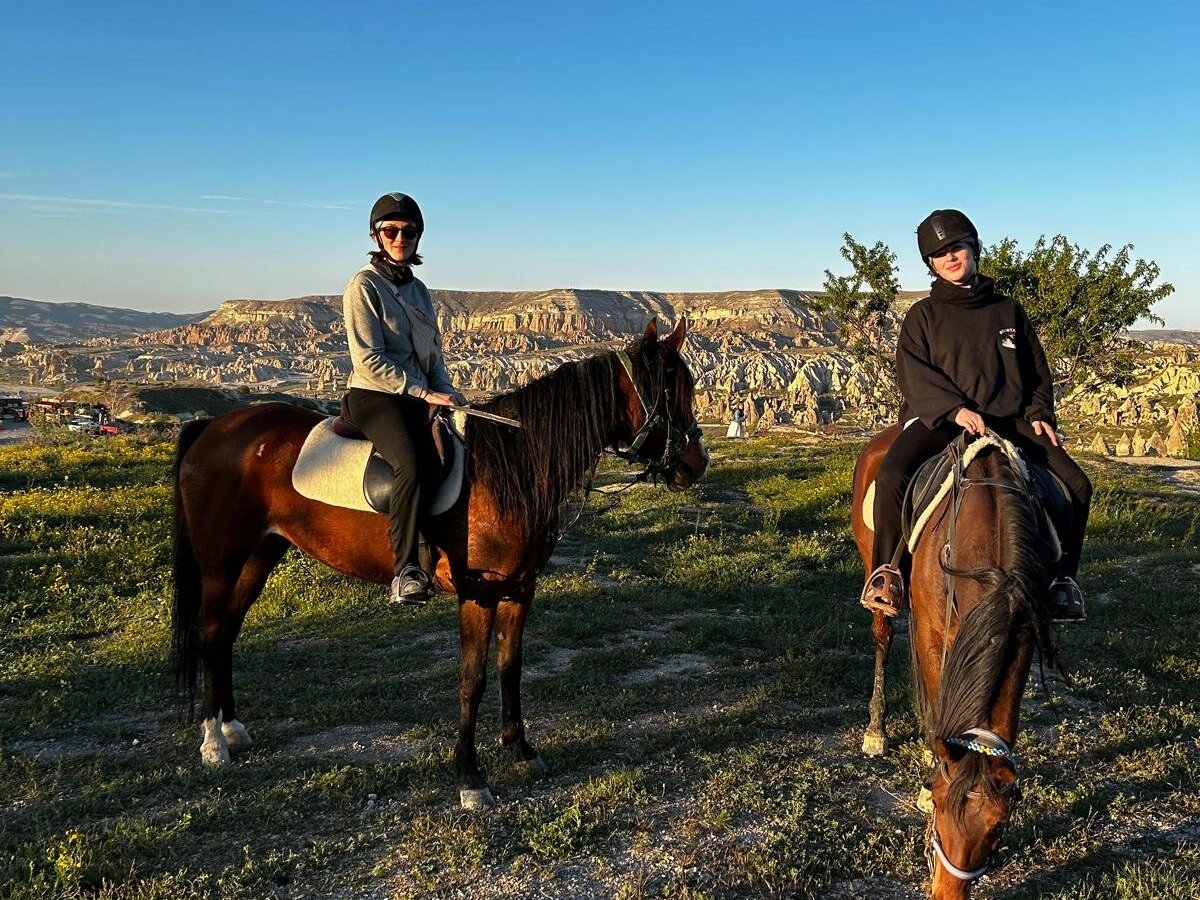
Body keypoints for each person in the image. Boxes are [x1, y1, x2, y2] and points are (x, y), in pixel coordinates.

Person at [861, 209, 1092, 622]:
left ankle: (1062, 582)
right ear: (930, 264)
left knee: (1077, 485)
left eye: (956, 247)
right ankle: (888, 573)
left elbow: (1036, 371)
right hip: (940, 420)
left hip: (1007, 420)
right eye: (939, 253)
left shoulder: (1009, 312)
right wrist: (954, 409)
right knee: (893, 472)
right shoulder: (923, 316)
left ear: (973, 248)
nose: (950, 257)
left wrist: (1040, 412)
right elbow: (914, 373)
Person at [343, 192, 465, 604]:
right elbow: (368, 359)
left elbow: (434, 354)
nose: (400, 238)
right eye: (391, 231)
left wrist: (446, 391)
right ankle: (406, 570)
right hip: (376, 396)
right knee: (411, 462)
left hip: (420, 395)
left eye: (408, 232)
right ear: (377, 236)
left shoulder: (419, 290)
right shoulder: (363, 287)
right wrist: (423, 391)